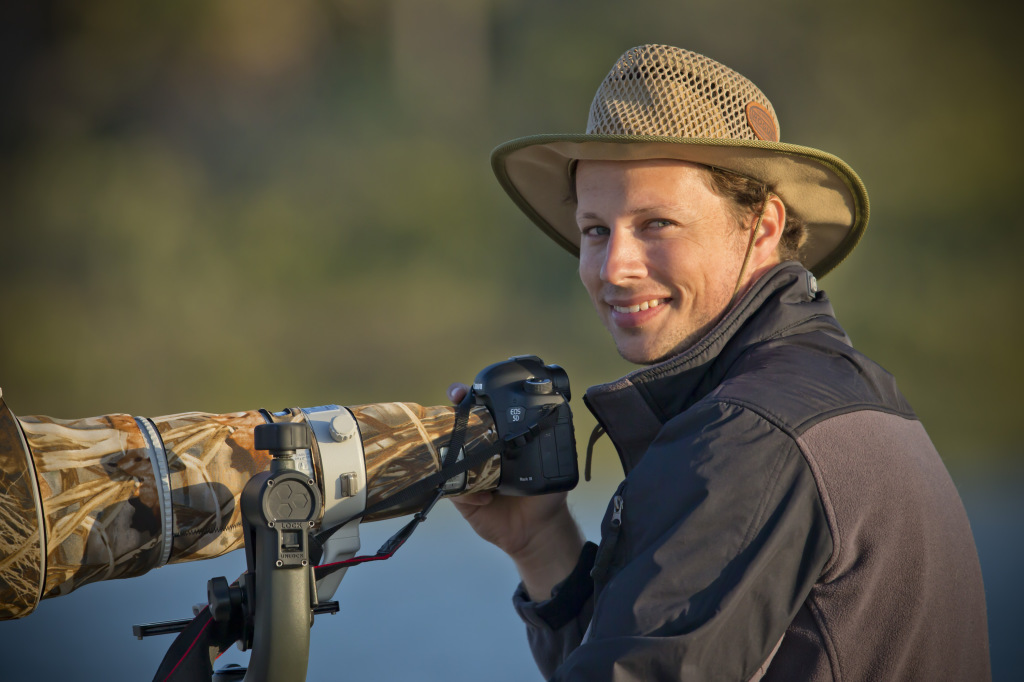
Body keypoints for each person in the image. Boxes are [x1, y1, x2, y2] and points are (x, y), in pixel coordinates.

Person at [448, 44, 990, 681]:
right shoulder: (834, 393)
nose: (613, 267)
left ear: (762, 228)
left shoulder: (750, 434)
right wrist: (540, 544)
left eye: (656, 224)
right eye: (596, 230)